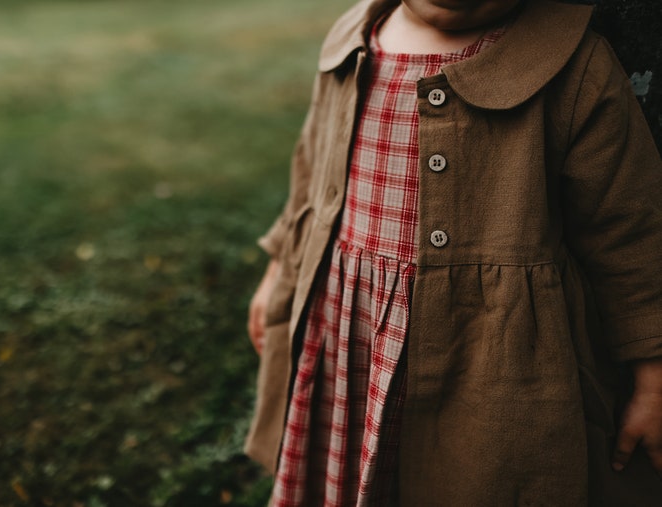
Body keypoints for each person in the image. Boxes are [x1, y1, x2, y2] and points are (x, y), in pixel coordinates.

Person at [245, 0, 662, 505]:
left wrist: (652, 374)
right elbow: (312, 169)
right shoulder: (354, 38)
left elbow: (629, 229)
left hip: (491, 358)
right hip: (347, 329)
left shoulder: (572, 65)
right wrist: (278, 270)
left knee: (474, 474)